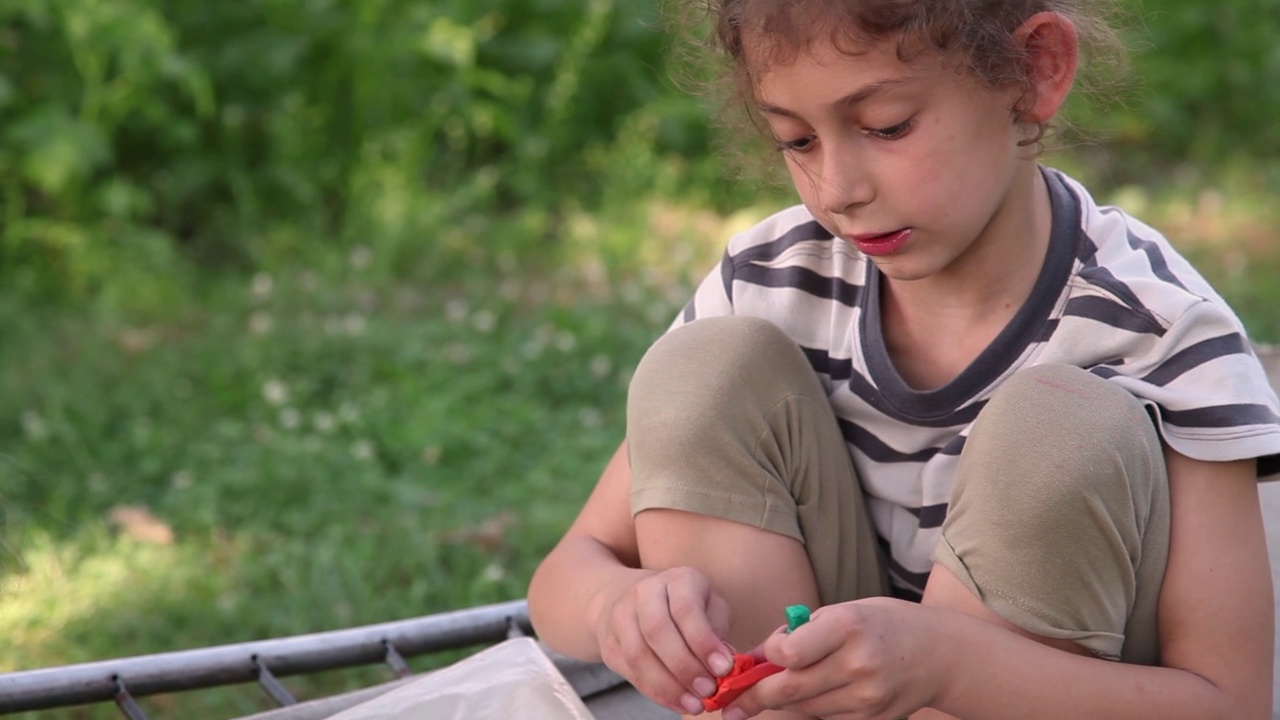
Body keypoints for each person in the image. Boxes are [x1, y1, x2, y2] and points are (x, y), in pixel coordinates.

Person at [527, 1, 1280, 718]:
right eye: (796, 139)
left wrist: (954, 666)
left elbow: (1232, 703)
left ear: (1033, 69)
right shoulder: (772, 283)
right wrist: (617, 609)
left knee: (1058, 426)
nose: (838, 189)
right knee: (703, 370)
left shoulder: (1159, 335)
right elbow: (569, 571)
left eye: (887, 127)